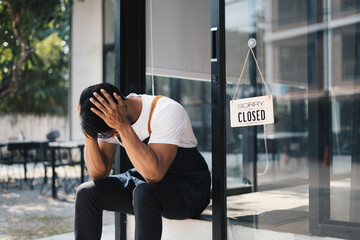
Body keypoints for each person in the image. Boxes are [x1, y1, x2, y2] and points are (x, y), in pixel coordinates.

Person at [75, 83, 211, 240]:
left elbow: (154, 175)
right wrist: (88, 131)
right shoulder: (108, 117)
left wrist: (122, 126)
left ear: (122, 107)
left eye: (110, 132)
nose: (111, 136)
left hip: (187, 189)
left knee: (144, 193)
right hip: (145, 182)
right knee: (87, 193)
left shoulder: (166, 110)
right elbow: (99, 173)